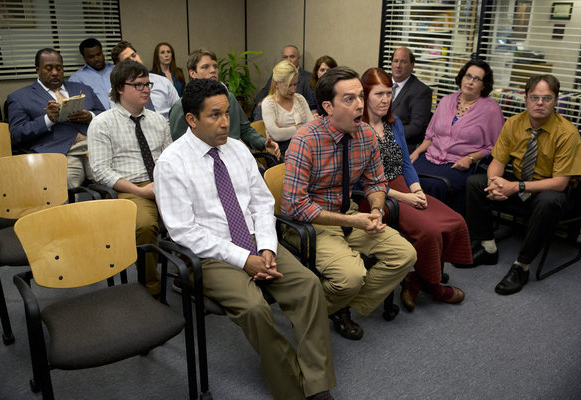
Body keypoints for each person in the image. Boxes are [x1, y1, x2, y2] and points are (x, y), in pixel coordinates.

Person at [154, 78, 336, 400]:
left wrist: (265, 246)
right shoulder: (171, 163)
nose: (226, 123)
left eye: (227, 113)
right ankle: (292, 387)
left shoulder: (237, 149)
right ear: (192, 119)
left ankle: (318, 384)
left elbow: (262, 202)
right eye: (215, 116)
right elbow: (184, 231)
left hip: (255, 239)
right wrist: (244, 260)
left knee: (308, 285)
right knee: (254, 308)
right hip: (211, 253)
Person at [282, 66, 417, 340]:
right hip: (311, 224)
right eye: (350, 99)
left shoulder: (365, 134)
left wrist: (377, 209)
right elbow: (294, 207)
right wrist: (350, 220)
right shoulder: (305, 141)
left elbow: (376, 182)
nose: (360, 105)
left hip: (350, 215)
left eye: (360, 96)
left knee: (405, 255)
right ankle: (321, 310)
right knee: (351, 276)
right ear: (328, 107)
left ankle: (338, 307)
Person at [463, 74, 581, 295]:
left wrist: (515, 187)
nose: (540, 103)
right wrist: (494, 184)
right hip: (518, 187)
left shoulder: (568, 133)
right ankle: (487, 247)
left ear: (555, 100)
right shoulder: (514, 123)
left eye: (546, 98)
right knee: (474, 183)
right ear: (526, 98)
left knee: (550, 199)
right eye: (535, 97)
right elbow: (498, 162)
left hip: (546, 193)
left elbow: (560, 183)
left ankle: (522, 266)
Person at [362, 67, 471, 311]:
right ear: (366, 94)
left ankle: (417, 278)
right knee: (430, 230)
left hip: (402, 186)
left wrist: (417, 190)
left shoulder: (394, 122)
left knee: (454, 220)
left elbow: (405, 163)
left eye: (389, 93)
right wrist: (406, 198)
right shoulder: (358, 129)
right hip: (377, 196)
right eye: (378, 94)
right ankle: (433, 285)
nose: (385, 99)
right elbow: (363, 182)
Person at [88, 59, 171, 298]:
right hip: (129, 188)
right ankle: (152, 289)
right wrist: (141, 191)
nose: (146, 89)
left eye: (147, 84)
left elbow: (170, 159)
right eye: (138, 85)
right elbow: (101, 171)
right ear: (120, 88)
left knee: (205, 209)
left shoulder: (158, 121)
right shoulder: (102, 123)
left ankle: (199, 276)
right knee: (145, 225)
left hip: (163, 182)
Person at [410, 58, 504, 215]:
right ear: (461, 77)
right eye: (468, 76)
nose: (471, 82)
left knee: (435, 185)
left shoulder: (491, 110)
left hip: (459, 164)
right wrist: (416, 152)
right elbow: (430, 136)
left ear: (484, 85)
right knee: (406, 175)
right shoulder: (446, 101)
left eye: (477, 79)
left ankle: (438, 227)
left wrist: (471, 158)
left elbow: (495, 147)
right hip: (431, 157)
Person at [7, 48, 105, 188]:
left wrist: (90, 116)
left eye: (59, 68)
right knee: (67, 189)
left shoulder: (83, 88)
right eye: (48, 68)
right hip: (61, 153)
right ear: (37, 70)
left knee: (113, 182)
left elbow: (104, 114)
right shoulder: (20, 98)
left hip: (94, 148)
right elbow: (16, 135)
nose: (55, 73)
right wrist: (47, 119)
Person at [168, 48, 280, 159]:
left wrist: (263, 143)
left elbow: (245, 129)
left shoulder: (229, 97)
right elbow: (181, 145)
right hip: (202, 161)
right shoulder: (181, 106)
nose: (212, 70)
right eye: (205, 67)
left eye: (215, 66)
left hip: (234, 156)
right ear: (193, 73)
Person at [111, 40, 179, 119]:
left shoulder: (163, 82)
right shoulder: (119, 90)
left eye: (133, 55)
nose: (134, 60)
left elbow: (178, 110)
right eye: (127, 60)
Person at [262, 60, 314, 158]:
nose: (293, 89)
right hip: (281, 151)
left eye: (295, 84)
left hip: (304, 147)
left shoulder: (300, 99)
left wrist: (286, 130)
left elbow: (311, 127)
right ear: (276, 84)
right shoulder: (269, 104)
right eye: (289, 85)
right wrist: (301, 127)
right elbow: (277, 135)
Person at [253, 45, 317, 120]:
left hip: (295, 113)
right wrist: (261, 103)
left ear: (298, 58)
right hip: (274, 109)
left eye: (292, 57)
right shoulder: (277, 74)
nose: (288, 60)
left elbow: (312, 104)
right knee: (260, 109)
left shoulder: (308, 77)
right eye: (285, 57)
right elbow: (265, 91)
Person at [390, 47, 433, 152]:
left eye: (403, 62)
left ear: (412, 65)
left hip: (401, 144)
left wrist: (386, 135)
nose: (398, 66)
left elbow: (416, 127)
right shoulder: (381, 82)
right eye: (395, 61)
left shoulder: (421, 91)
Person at [69, 38, 114, 110]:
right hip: (97, 118)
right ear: (84, 58)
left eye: (99, 54)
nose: (96, 59)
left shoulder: (116, 69)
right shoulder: (77, 79)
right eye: (91, 57)